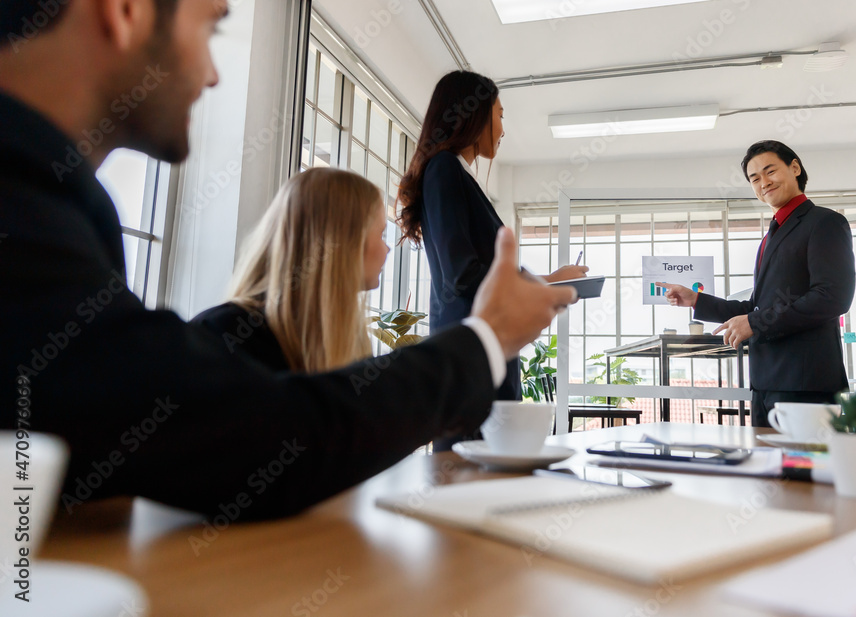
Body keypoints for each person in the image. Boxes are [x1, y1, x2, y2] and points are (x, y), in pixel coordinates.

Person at [0, 0, 577, 520]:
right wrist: (485, 338)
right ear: (123, 10)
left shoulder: (59, 210)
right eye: (211, 26)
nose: (214, 73)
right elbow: (258, 437)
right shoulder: (26, 213)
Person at [396, 70, 587, 448]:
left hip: (480, 350)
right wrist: (543, 284)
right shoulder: (445, 168)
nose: (502, 128)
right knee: (471, 476)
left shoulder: (453, 173)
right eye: (499, 115)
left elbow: (475, 268)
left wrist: (548, 279)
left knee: (484, 476)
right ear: (475, 115)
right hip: (472, 354)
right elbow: (462, 272)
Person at [663, 140, 855, 427]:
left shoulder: (824, 223)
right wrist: (697, 300)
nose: (763, 183)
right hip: (765, 382)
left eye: (770, 171)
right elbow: (758, 306)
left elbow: (832, 296)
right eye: (754, 178)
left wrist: (757, 322)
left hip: (805, 384)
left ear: (794, 167)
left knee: (802, 472)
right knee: (766, 469)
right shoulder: (773, 235)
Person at [193, 168, 390, 373]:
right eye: (381, 233)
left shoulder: (349, 339)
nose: (387, 248)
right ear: (345, 241)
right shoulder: (223, 333)